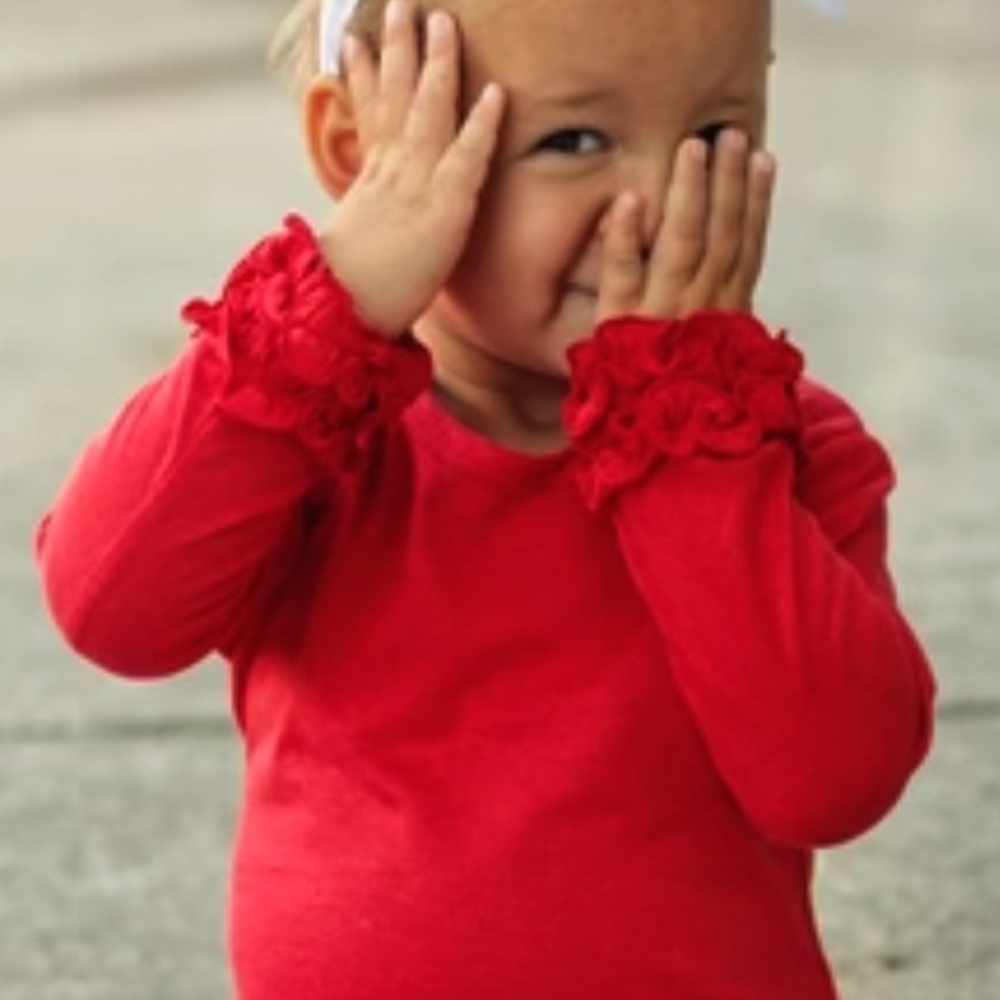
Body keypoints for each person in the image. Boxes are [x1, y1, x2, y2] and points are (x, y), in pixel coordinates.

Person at [35, 0, 936, 996]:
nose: (651, 201)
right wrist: (334, 299)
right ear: (361, 149)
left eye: (713, 134)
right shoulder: (310, 434)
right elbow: (108, 608)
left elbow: (832, 781)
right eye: (575, 139)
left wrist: (689, 448)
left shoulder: (784, 452)